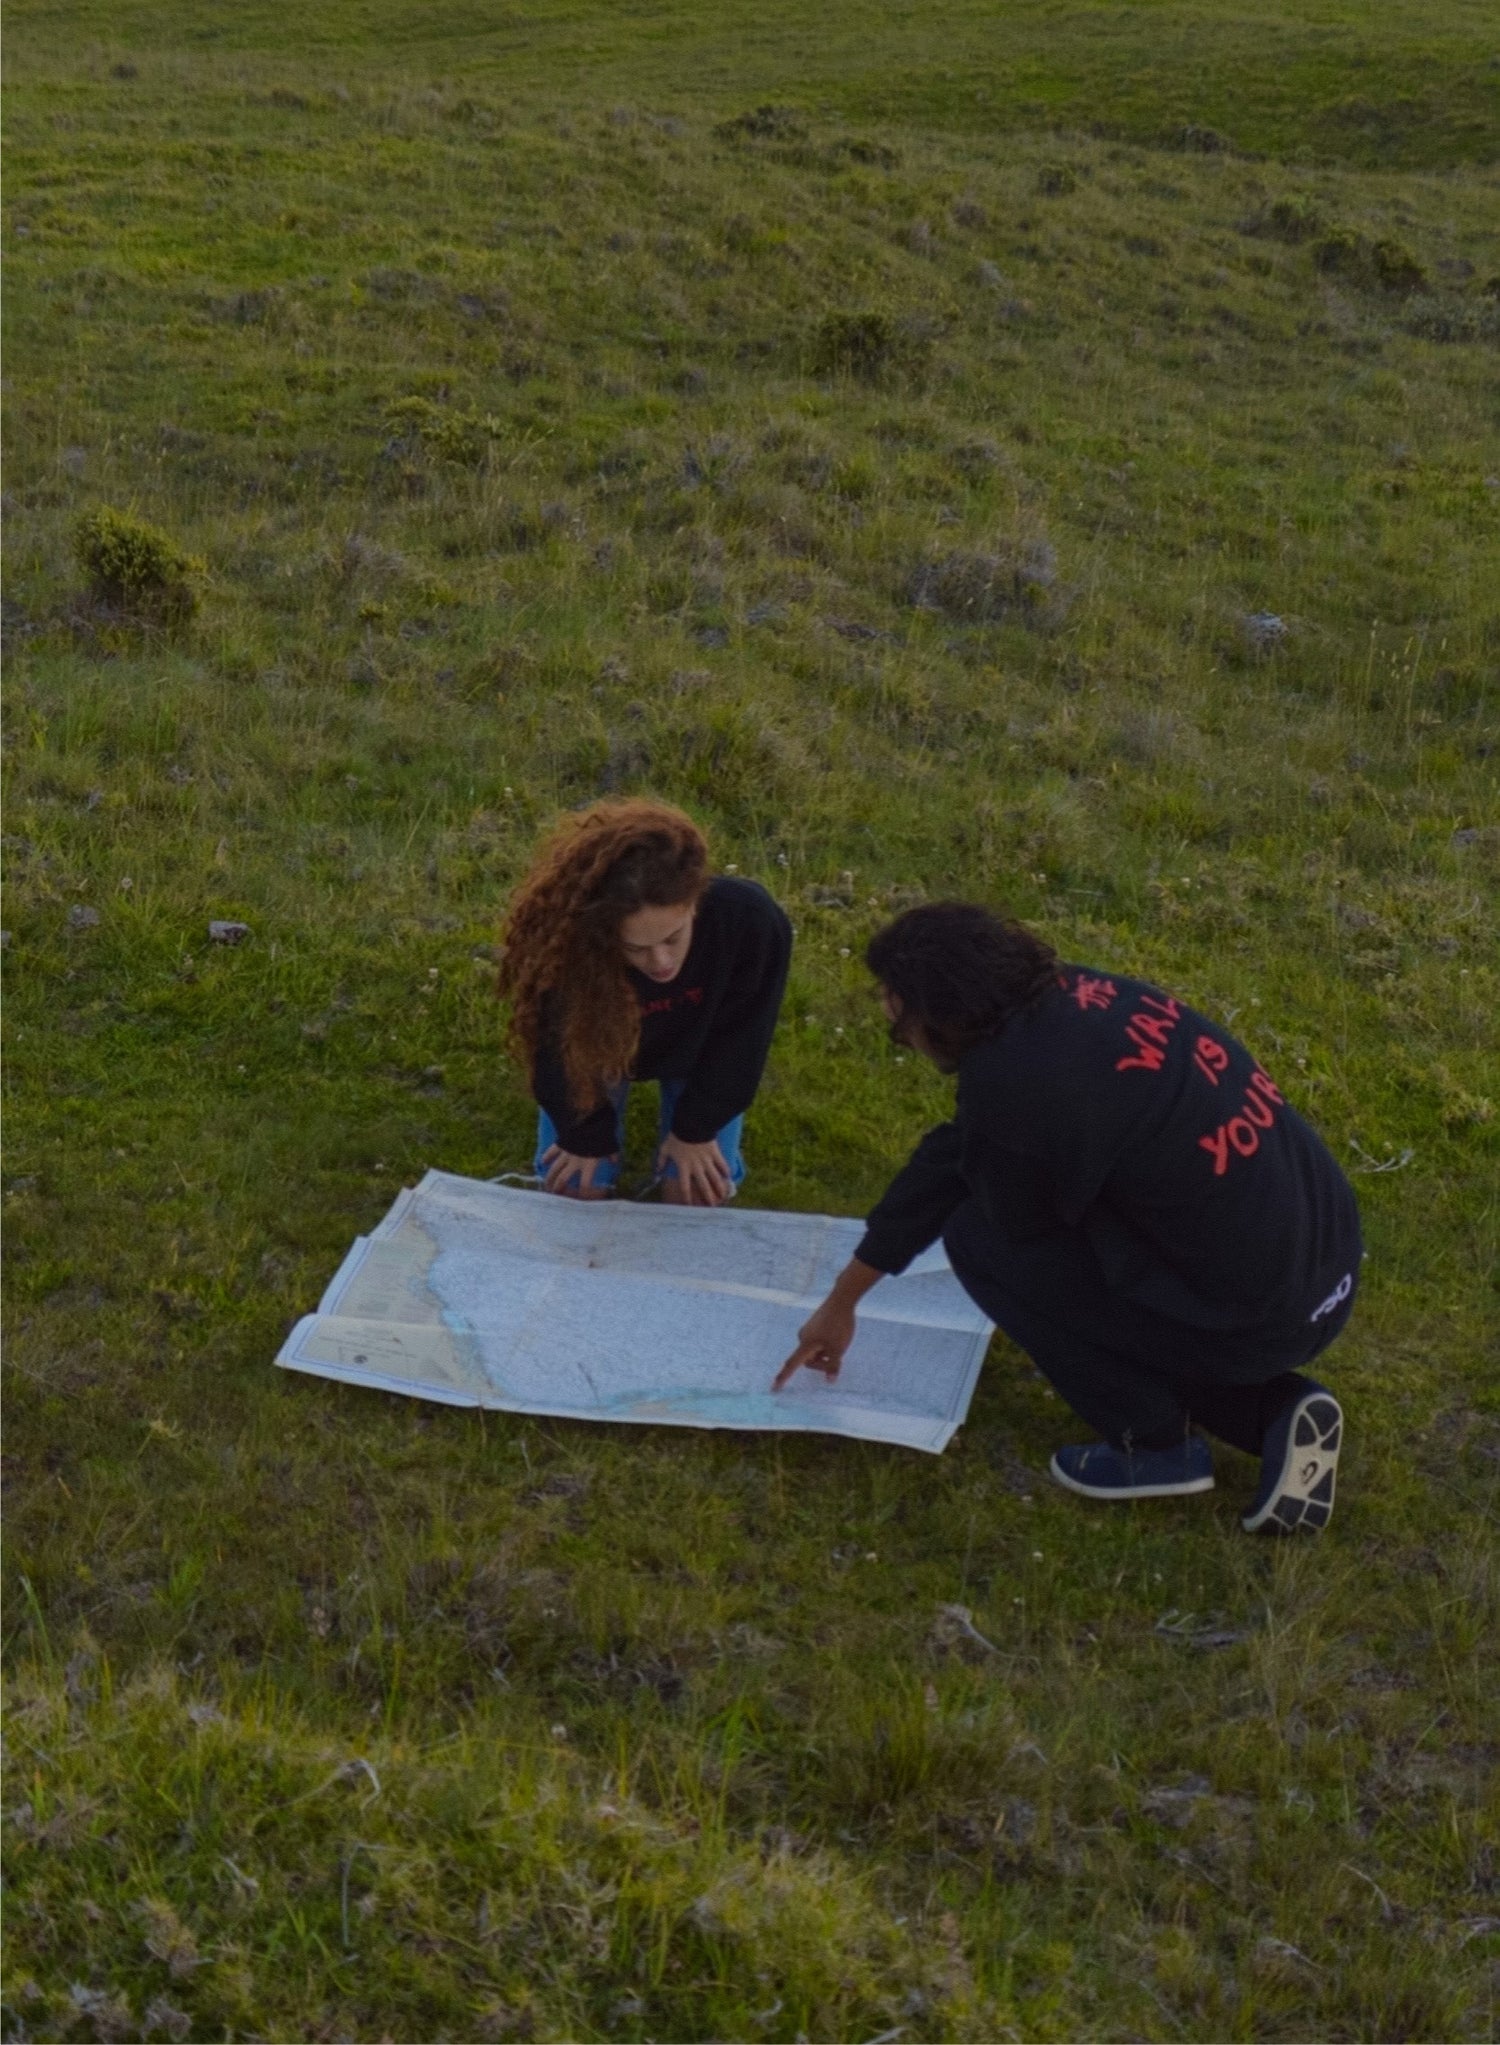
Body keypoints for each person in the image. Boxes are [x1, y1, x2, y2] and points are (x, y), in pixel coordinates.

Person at [775, 903, 1360, 1533]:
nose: (904, 1040)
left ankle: (1151, 1444)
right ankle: (1274, 1411)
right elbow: (962, 1150)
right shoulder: (1079, 993)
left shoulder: (1017, 1082)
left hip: (1258, 1318)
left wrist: (844, 1298)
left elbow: (1011, 1216)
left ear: (939, 1015)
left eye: (901, 1027)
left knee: (981, 1242)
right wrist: (845, 1297)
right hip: (1328, 1268)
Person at [499, 799, 791, 1206]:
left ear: (694, 902)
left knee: (693, 1195)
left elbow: (744, 1037)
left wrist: (696, 1130)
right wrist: (585, 1136)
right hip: (604, 1047)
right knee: (576, 1191)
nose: (661, 963)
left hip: (702, 1048)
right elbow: (553, 1051)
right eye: (635, 948)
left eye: (673, 938)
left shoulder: (750, 923)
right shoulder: (567, 944)